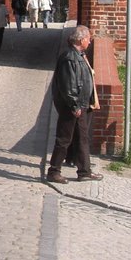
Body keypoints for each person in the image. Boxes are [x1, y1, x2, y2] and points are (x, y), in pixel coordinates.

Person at [46, 25, 104, 183]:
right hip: (72, 107)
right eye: (88, 39)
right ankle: (53, 171)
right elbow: (68, 85)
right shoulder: (70, 57)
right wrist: (74, 105)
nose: (90, 42)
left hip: (81, 105)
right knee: (64, 139)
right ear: (80, 39)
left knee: (82, 138)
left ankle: (85, 171)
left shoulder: (78, 55)